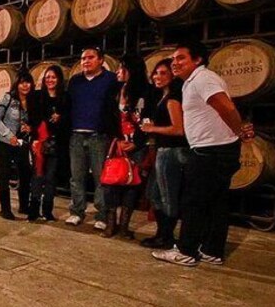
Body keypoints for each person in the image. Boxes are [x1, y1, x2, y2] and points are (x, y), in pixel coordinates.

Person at [152, 41, 254, 267]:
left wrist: (239, 130)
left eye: (181, 58)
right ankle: (211, 250)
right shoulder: (192, 82)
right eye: (173, 59)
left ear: (197, 60)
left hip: (211, 150)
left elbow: (226, 106)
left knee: (193, 202)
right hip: (215, 148)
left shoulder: (203, 79)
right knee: (216, 203)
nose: (174, 63)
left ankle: (186, 251)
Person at [65, 46, 119, 229]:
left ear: (101, 60)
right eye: (83, 58)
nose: (86, 61)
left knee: (101, 178)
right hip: (76, 135)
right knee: (76, 177)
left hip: (99, 136)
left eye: (90, 57)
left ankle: (102, 215)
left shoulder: (110, 79)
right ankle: (76, 211)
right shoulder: (75, 81)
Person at [140, 58, 187, 248]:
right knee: (155, 194)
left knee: (167, 196)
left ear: (172, 76)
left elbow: (178, 129)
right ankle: (161, 234)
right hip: (163, 150)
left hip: (171, 151)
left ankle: (166, 237)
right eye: (156, 73)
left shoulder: (173, 98)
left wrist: (152, 128)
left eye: (163, 73)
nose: (157, 77)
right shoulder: (163, 96)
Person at [101, 56, 149, 239]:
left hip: (137, 144)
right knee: (110, 181)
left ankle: (124, 226)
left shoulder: (146, 92)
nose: (118, 71)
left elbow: (149, 119)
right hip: (115, 142)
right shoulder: (114, 89)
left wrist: (137, 142)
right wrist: (118, 139)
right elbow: (106, 116)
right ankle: (110, 224)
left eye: (121, 68)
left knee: (132, 183)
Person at [0, 69, 36, 220]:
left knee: (25, 173)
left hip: (20, 143)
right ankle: (5, 209)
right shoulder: (7, 98)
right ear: (17, 84)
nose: (25, 85)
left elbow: (33, 121)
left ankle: (24, 206)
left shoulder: (31, 102)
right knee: (4, 175)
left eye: (28, 82)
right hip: (3, 143)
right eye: (22, 82)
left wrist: (29, 128)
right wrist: (8, 135)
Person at [29, 64, 70, 221]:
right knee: (37, 176)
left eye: (53, 77)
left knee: (51, 178)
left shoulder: (64, 98)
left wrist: (61, 118)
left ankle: (47, 211)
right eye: (47, 77)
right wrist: (34, 138)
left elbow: (69, 119)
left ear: (59, 79)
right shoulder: (37, 96)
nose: (50, 80)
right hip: (39, 142)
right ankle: (33, 211)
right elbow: (33, 119)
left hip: (57, 143)